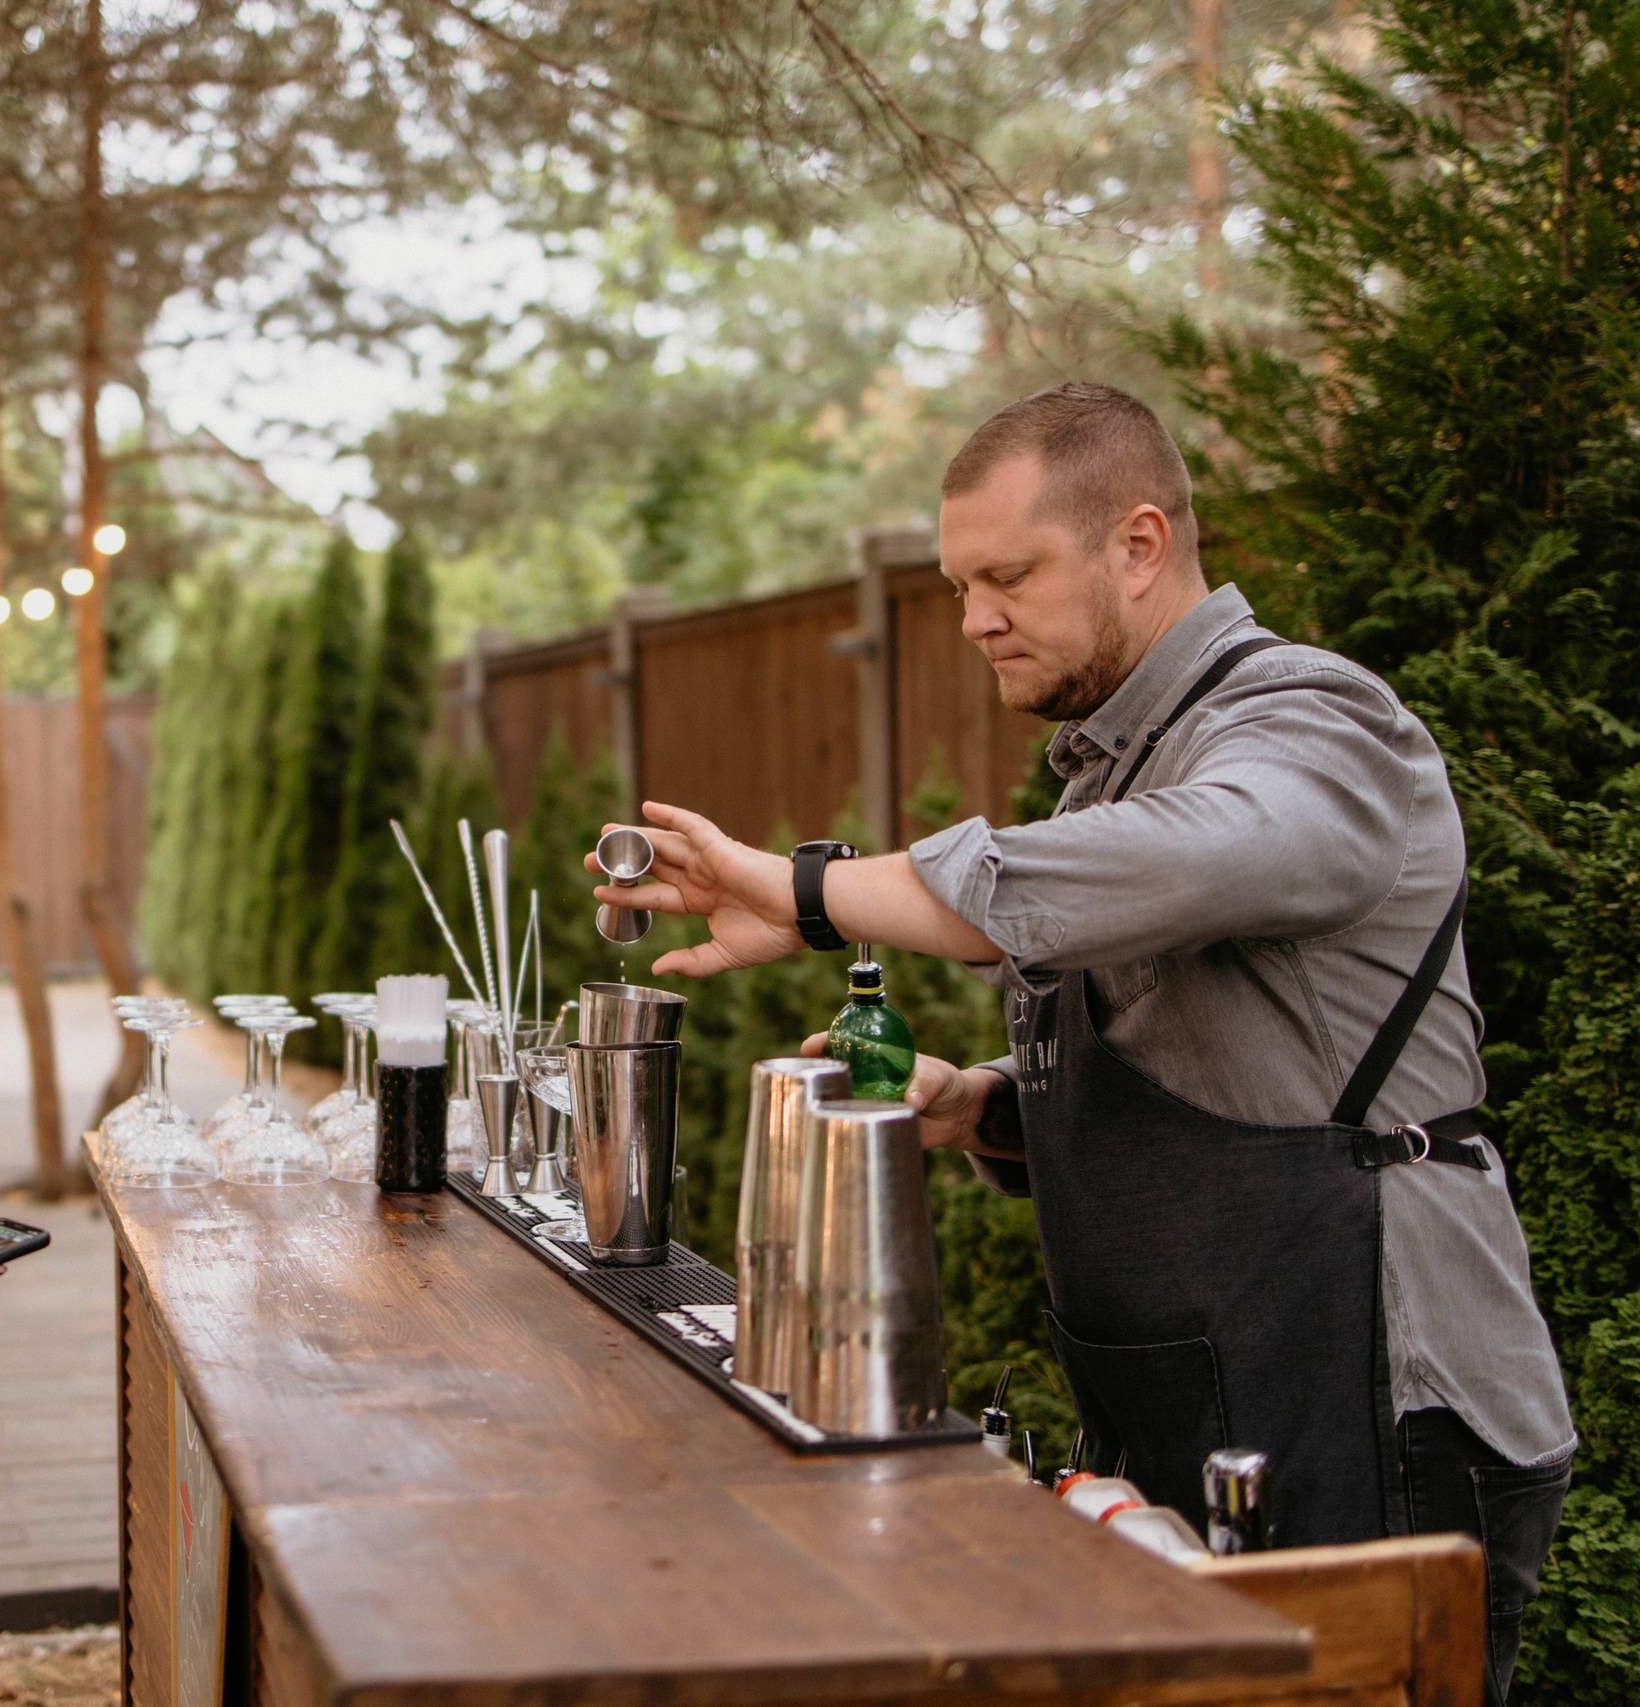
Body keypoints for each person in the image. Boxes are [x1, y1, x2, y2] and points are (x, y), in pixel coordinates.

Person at [594, 383, 1572, 1703]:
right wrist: (984, 1104)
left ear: (1140, 544)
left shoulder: (1314, 721)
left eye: (1008, 576)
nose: (973, 619)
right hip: (1194, 1406)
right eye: (958, 586)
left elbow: (1189, 860)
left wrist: (809, 890)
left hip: (1372, 1396)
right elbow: (1216, 1047)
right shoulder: (1117, 758)